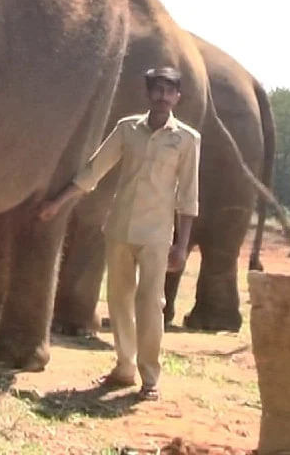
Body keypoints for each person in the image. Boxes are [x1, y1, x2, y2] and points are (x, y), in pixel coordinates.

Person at [36, 66, 200, 401]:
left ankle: (150, 377)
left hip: (156, 235)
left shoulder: (186, 139)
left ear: (177, 98)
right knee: (119, 300)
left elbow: (188, 196)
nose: (163, 96)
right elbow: (95, 169)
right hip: (121, 228)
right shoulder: (128, 129)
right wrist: (58, 202)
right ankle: (124, 368)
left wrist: (181, 246)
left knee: (151, 304)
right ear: (149, 93)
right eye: (157, 89)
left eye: (170, 90)